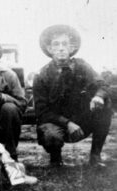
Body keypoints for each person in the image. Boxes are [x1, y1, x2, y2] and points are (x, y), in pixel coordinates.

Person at [33, 24, 113, 167]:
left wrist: (98, 96)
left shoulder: (82, 66)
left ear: (71, 48)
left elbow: (102, 85)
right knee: (51, 135)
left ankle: (95, 157)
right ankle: (55, 159)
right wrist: (67, 123)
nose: (61, 48)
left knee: (105, 108)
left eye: (65, 44)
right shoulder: (41, 75)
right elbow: (42, 111)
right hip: (56, 123)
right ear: (49, 49)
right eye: (56, 44)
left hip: (82, 120)